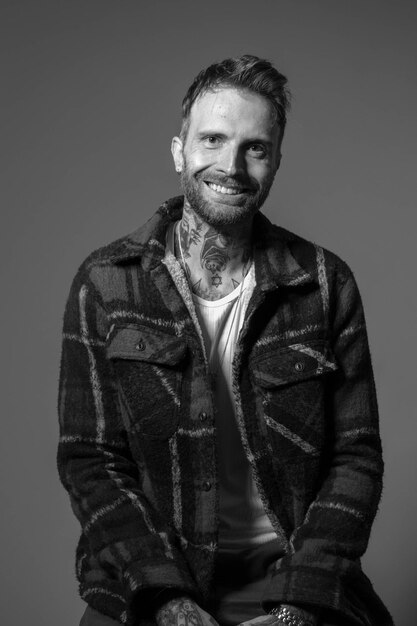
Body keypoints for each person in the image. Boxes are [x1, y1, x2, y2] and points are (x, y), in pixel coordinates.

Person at [58, 55, 393, 626]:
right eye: (212, 139)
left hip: (297, 583)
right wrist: (168, 602)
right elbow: (91, 462)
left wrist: (297, 607)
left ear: (277, 161)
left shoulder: (325, 283)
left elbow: (356, 458)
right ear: (178, 150)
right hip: (145, 584)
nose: (231, 165)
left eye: (255, 147)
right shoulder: (107, 282)